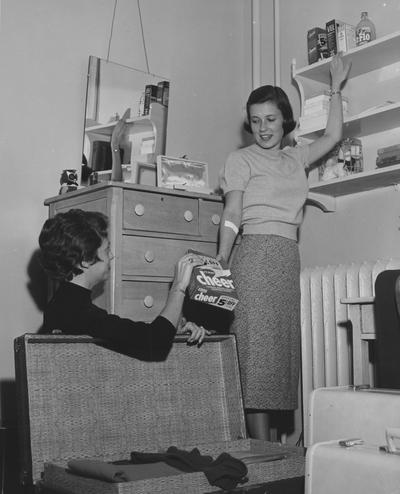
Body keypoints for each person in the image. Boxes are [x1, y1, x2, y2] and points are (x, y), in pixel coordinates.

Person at [217, 54, 351, 440]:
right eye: (255, 121)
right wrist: (223, 258)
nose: (263, 128)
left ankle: (270, 453)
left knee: (277, 357)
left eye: (271, 119)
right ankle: (261, 458)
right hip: (255, 258)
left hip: (286, 259)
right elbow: (233, 210)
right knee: (257, 357)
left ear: (285, 119)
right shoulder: (240, 159)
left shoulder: (296, 157)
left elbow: (332, 137)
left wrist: (335, 89)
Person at [39, 208, 209, 361]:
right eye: (106, 250)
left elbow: (131, 339)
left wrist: (172, 332)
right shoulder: (76, 312)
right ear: (85, 260)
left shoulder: (65, 305)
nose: (111, 256)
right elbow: (154, 343)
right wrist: (178, 286)